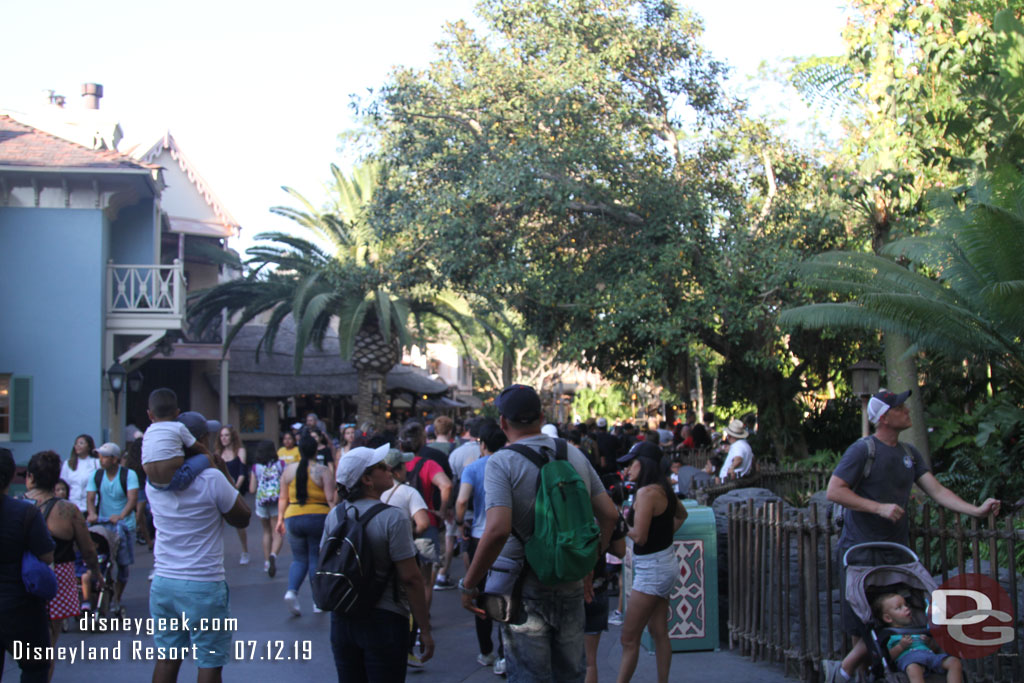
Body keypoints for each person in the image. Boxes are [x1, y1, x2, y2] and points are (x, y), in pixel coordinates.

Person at [825, 389, 1000, 683]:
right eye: (900, 407)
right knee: (864, 624)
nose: (907, 410)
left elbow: (938, 491)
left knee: (906, 617)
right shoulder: (862, 450)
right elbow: (835, 490)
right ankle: (847, 672)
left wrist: (976, 511)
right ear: (883, 417)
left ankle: (851, 672)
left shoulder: (909, 454)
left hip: (897, 553)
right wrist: (878, 507)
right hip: (860, 551)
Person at [460, 384, 618, 683]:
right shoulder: (572, 453)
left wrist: (469, 585)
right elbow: (609, 515)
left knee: (529, 677)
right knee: (570, 675)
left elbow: (496, 530)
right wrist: (589, 563)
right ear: (542, 415)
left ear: (503, 422)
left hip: (523, 587)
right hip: (570, 582)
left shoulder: (501, 462)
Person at [146, 413, 251, 683]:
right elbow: (242, 517)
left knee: (168, 657)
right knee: (209, 661)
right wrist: (223, 470)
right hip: (203, 583)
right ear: (200, 440)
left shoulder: (154, 484)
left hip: (164, 581)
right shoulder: (211, 479)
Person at [329, 444, 435, 682]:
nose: (389, 468)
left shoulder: (334, 515)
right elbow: (411, 578)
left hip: (342, 618)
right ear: (366, 479)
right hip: (384, 619)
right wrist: (424, 629)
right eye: (381, 466)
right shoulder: (393, 517)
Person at [24, 450, 101, 681]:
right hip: (59, 576)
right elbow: (87, 548)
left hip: (24, 577)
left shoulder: (19, 506)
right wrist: (96, 572)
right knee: (50, 641)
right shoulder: (68, 510)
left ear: (30, 477)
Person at [615, 442, 687, 683]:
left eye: (631, 463)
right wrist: (664, 538)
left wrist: (620, 522)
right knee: (659, 632)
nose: (627, 468)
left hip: (652, 571)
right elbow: (681, 515)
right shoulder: (663, 488)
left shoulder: (646, 493)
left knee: (628, 638)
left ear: (643, 464)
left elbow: (640, 536)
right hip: (664, 563)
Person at [455, 421, 507, 673]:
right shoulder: (510, 464)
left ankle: (486, 651)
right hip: (507, 537)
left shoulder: (473, 468)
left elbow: (462, 500)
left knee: (480, 593)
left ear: (482, 444)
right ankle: (504, 653)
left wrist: (459, 523)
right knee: (506, 592)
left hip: (479, 536)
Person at [0, 448, 55, 683]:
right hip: (20, 607)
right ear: (13, 475)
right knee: (35, 668)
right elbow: (47, 556)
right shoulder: (25, 512)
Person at [276, 434, 336, 616]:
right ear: (315, 450)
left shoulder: (288, 471)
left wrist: (280, 519)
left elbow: (283, 497)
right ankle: (317, 601)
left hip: (293, 516)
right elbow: (330, 498)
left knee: (298, 558)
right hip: (318, 517)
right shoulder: (322, 470)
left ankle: (291, 591)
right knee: (314, 558)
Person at [401, 421, 453, 600]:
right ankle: (422, 623)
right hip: (427, 523)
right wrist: (441, 510)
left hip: (399, 525)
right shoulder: (428, 464)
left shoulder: (394, 466)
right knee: (425, 581)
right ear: (422, 442)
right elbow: (446, 485)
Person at [85, 442, 139, 613]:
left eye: (105, 456)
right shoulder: (96, 475)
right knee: (102, 561)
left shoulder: (128, 475)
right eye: (100, 456)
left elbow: (132, 499)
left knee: (122, 564)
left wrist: (121, 515)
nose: (101, 460)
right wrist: (92, 513)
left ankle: (117, 597)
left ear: (115, 459)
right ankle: (101, 593)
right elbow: (90, 497)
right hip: (103, 523)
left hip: (123, 525)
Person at [874, 593, 963, 683]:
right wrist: (900, 646)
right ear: (888, 618)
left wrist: (928, 642)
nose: (906, 608)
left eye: (906, 605)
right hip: (910, 660)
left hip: (929, 656)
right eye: (899, 607)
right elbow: (888, 657)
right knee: (913, 669)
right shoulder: (890, 635)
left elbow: (934, 649)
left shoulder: (918, 629)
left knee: (954, 662)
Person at [141, 389, 215, 491]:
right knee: (206, 457)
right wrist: (210, 456)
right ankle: (218, 476)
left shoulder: (148, 431)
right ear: (177, 413)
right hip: (176, 480)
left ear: (149, 415)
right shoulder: (178, 427)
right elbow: (198, 446)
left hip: (153, 483)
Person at [249, 440, 284, 577]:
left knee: (266, 531)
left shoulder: (255, 467)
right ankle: (273, 555)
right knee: (278, 531)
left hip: (262, 502)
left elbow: (252, 489)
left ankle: (266, 562)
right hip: (276, 501)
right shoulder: (280, 465)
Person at [216, 425, 250, 566]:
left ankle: (245, 551)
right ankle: (216, 554)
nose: (224, 438)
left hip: (235, 488)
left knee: (239, 523)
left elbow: (242, 471)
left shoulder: (240, 451)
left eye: (227, 435)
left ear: (232, 436)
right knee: (217, 522)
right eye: (222, 436)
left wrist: (235, 488)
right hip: (222, 489)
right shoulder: (218, 453)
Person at [59, 434, 100, 513]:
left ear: (89, 446)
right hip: (71, 504)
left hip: (90, 505)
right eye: (76, 444)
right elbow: (63, 484)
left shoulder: (96, 463)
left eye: (81, 443)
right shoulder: (68, 463)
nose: (78, 446)